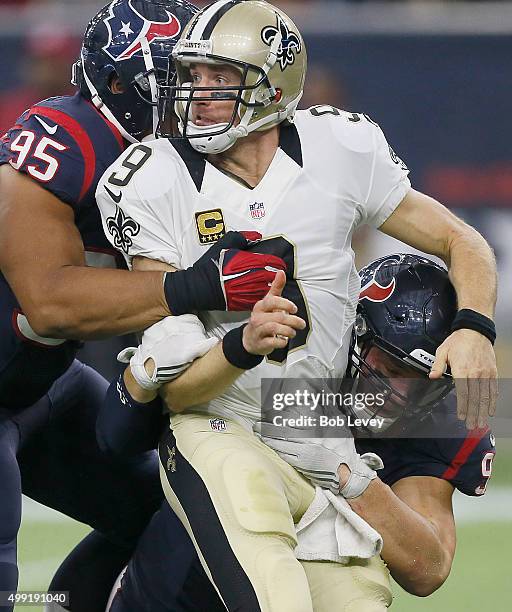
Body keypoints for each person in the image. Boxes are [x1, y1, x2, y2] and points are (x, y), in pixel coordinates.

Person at [95, 1, 498, 609]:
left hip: (315, 421)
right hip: (222, 421)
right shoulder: (153, 178)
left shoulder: (339, 145)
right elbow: (175, 388)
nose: (198, 93)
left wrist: (474, 326)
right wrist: (239, 344)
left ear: (272, 83)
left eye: (220, 78)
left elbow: (460, 239)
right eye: (193, 76)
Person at [0, 1, 284, 609]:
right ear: (119, 85)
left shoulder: (190, 163)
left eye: (207, 79)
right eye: (179, 80)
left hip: (39, 385)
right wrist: (199, 285)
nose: (197, 98)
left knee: (180, 516)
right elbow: (48, 301)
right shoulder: (65, 138)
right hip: (21, 375)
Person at [98, 254, 495, 610]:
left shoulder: (441, 420)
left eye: (422, 380)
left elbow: (428, 568)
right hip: (180, 582)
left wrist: (354, 481)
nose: (400, 394)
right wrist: (150, 377)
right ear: (354, 334)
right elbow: (125, 432)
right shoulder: (298, 354)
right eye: (390, 369)